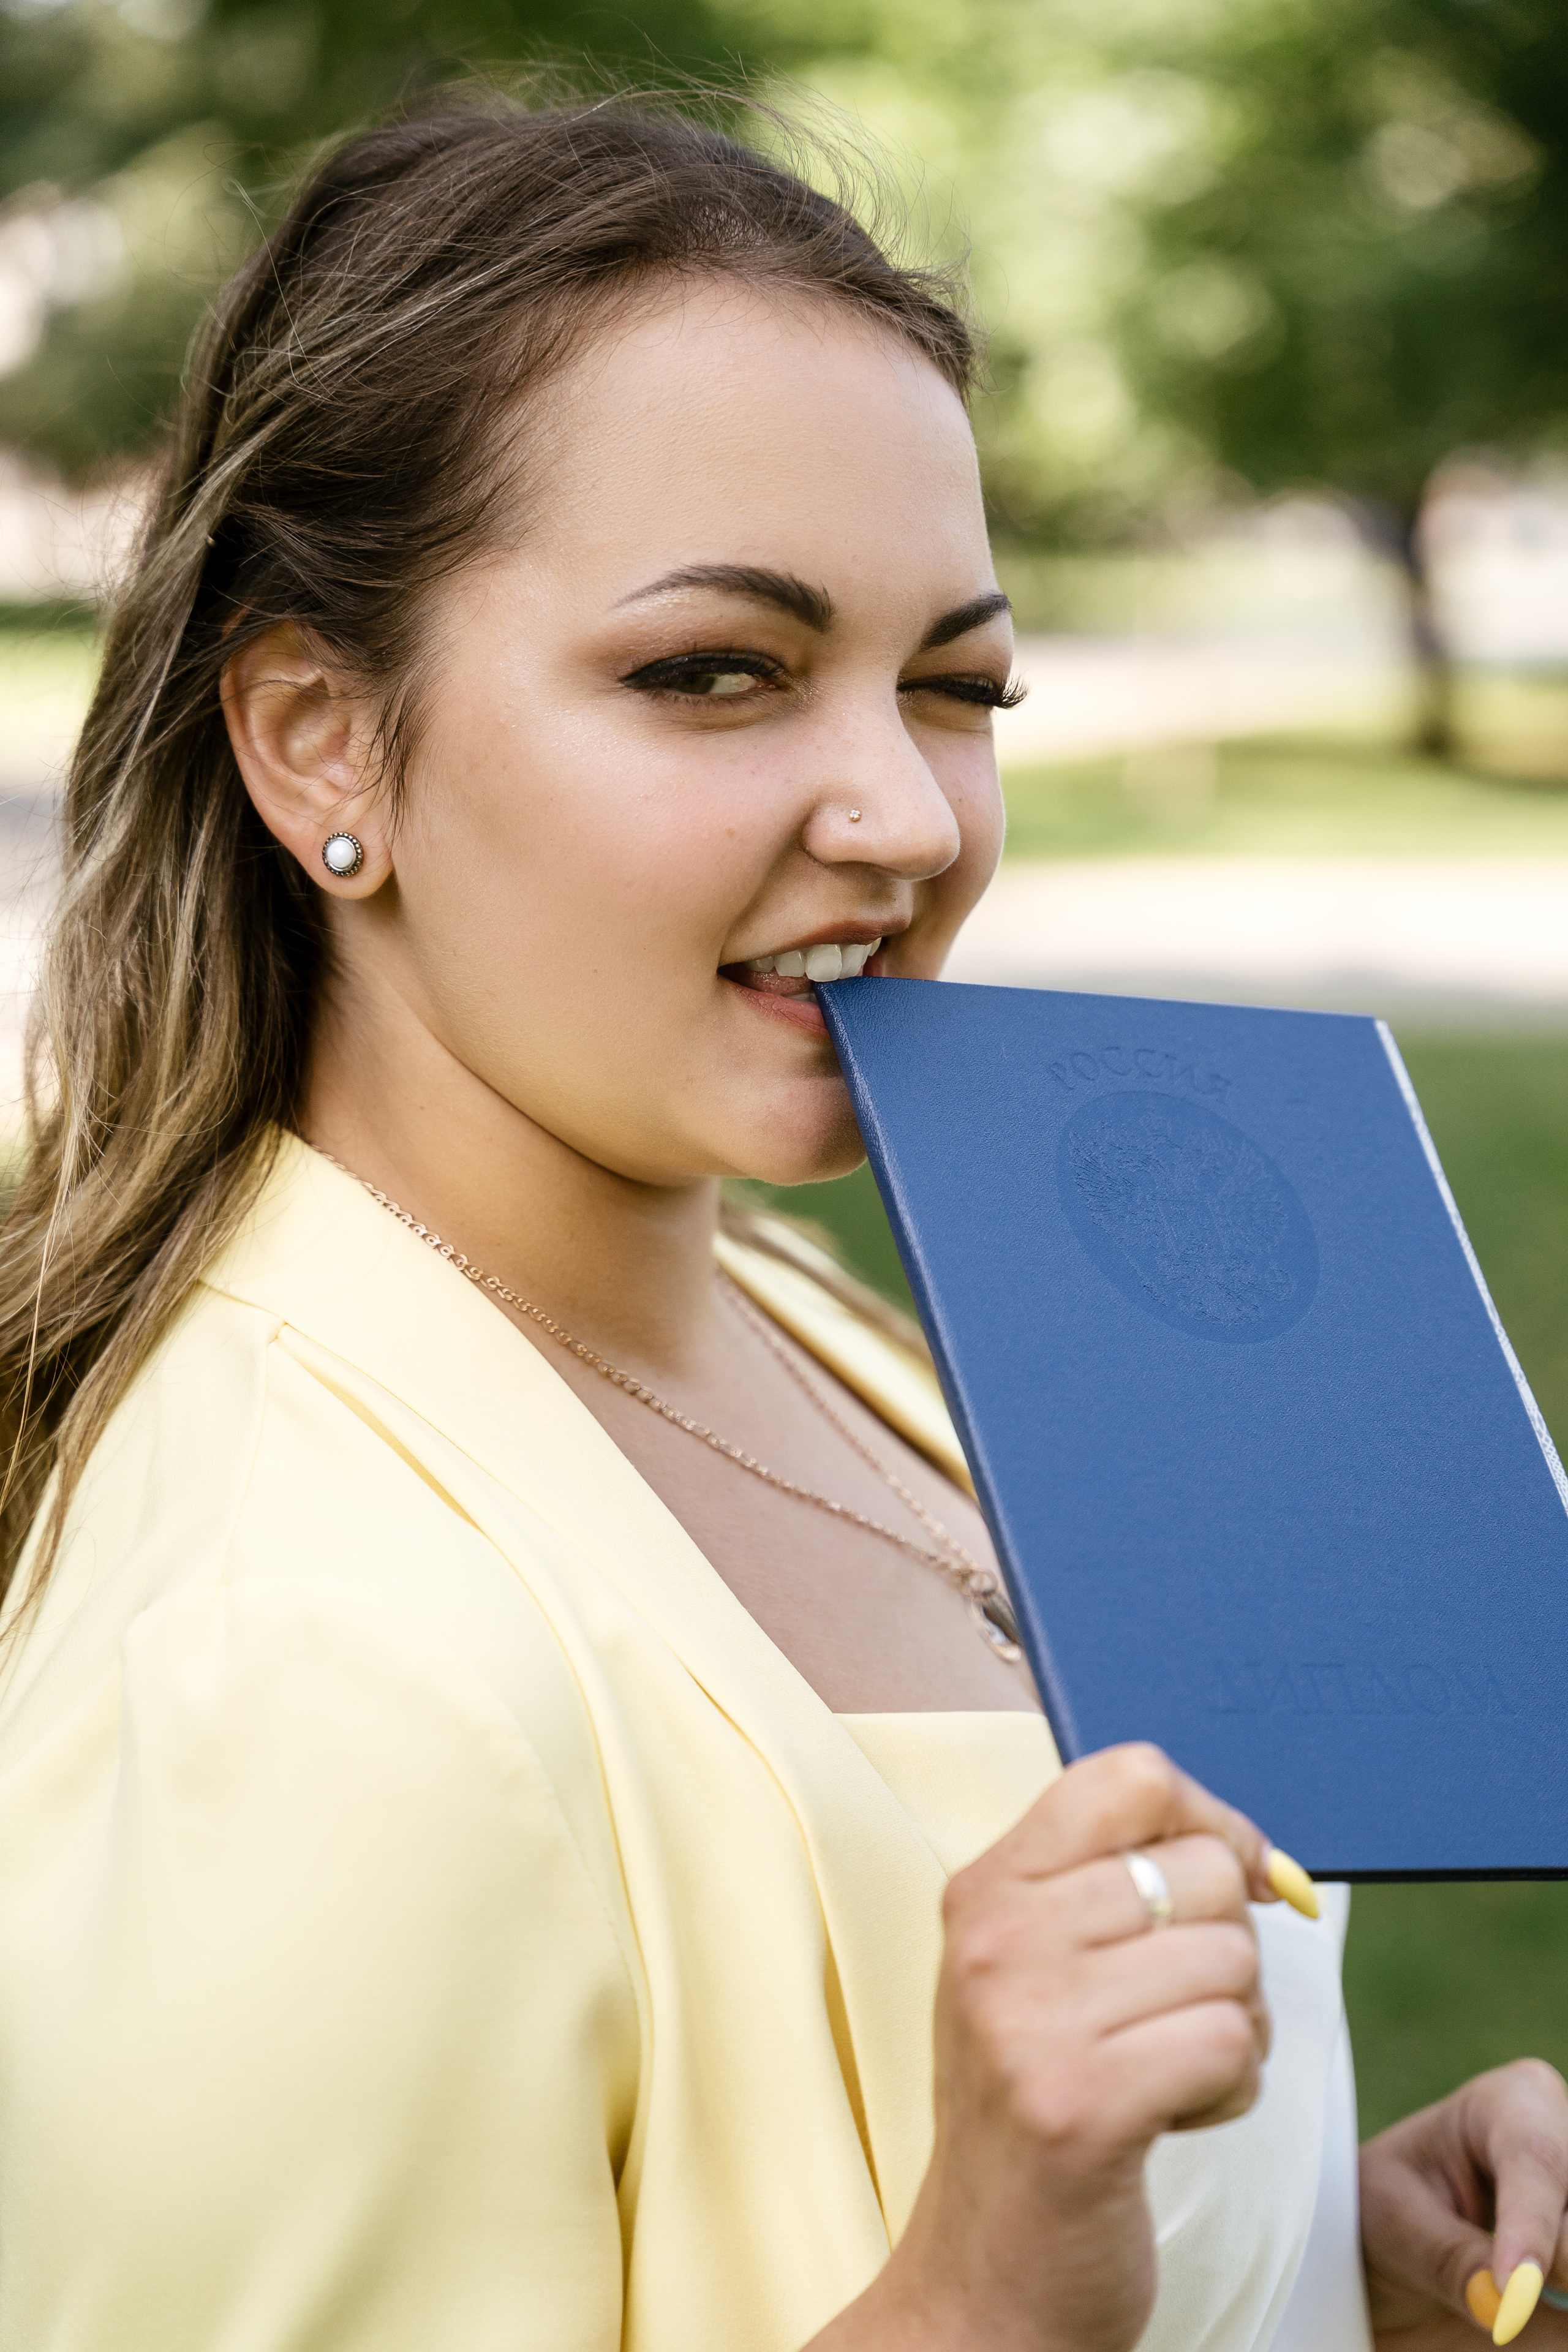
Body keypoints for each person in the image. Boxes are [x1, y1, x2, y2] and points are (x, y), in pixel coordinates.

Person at [0, 86, 1562, 2352]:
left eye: (959, 684)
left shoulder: (815, 1320)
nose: (906, 811)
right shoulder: (297, 1671)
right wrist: (984, 2296)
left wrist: (1321, 2244)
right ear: (322, 740)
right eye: (713, 671)